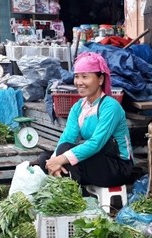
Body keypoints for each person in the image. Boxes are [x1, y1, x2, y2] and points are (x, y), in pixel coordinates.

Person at [36, 52, 133, 187]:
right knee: (45, 159)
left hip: (117, 166)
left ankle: (71, 198)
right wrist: (55, 161)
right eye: (76, 77)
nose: (79, 82)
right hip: (96, 159)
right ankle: (68, 191)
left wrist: (62, 159)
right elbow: (67, 139)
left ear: (100, 79)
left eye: (85, 77)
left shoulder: (111, 106)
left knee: (68, 161)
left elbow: (96, 143)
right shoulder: (78, 107)